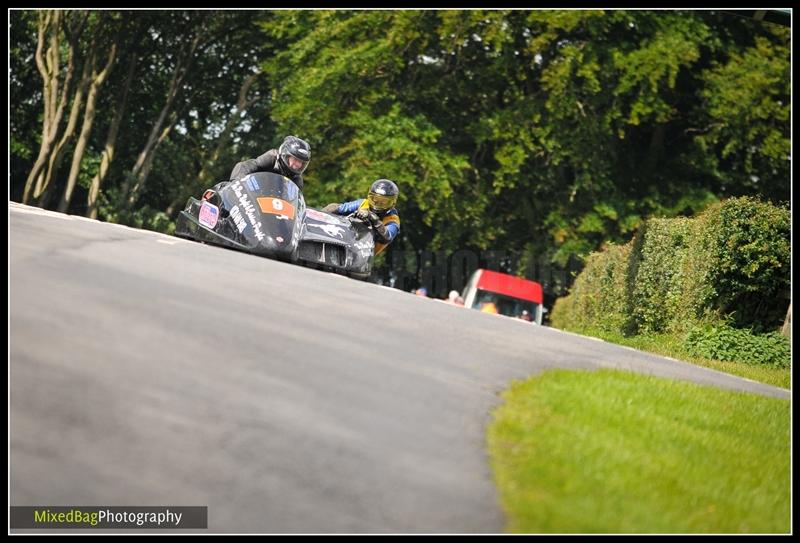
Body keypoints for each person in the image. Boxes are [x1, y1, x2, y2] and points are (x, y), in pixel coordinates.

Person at [322, 179, 401, 255]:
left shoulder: (393, 219)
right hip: (346, 239)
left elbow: (388, 237)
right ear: (369, 196)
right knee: (332, 207)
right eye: (375, 199)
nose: (377, 204)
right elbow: (341, 208)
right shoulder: (363, 203)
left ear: (393, 202)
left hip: (365, 253)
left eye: (383, 202)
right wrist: (323, 213)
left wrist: (374, 219)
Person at [229, 135, 311, 191]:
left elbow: (295, 202)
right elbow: (244, 166)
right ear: (285, 155)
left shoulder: (297, 180)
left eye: (301, 162)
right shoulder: (271, 158)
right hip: (252, 196)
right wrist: (237, 185)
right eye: (295, 160)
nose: (298, 165)